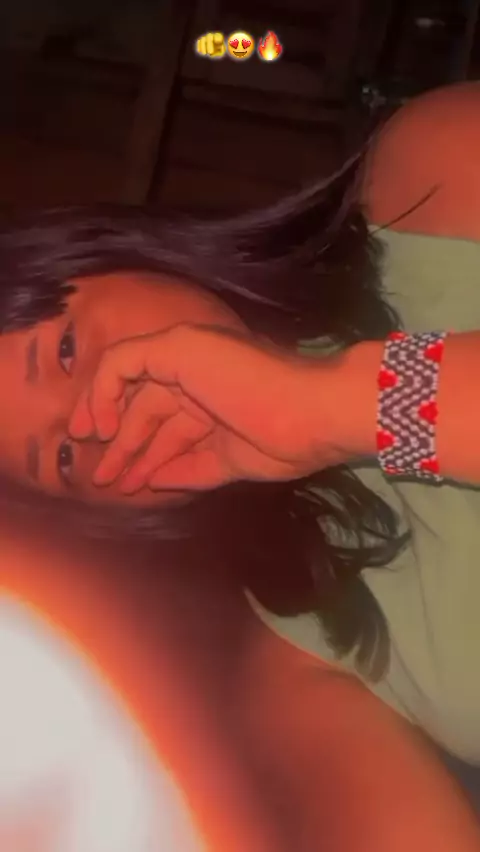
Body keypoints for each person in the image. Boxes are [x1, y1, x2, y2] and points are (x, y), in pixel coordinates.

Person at [0, 80, 478, 780]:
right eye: (64, 457)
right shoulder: (307, 665)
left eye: (65, 350)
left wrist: (333, 405)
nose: (98, 421)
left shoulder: (434, 172)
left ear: (109, 255)